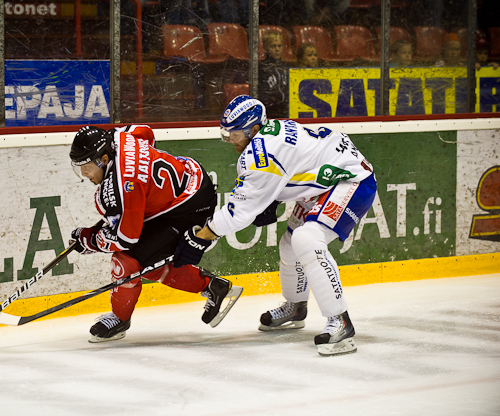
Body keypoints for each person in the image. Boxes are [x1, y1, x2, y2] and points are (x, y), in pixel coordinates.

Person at [173, 95, 377, 356]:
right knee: (290, 244)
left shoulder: (262, 155)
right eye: (226, 135)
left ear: (254, 129)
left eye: (234, 135)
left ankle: (341, 322)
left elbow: (239, 213)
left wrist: (202, 236)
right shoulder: (271, 131)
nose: (230, 141)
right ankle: (295, 307)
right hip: (326, 182)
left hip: (351, 181)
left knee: (306, 239)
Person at [69, 125, 243, 343]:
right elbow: (146, 131)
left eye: (86, 167)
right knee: (147, 261)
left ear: (103, 159)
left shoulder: (121, 187)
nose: (84, 174)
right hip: (191, 180)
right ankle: (213, 287)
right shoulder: (118, 135)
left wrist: (91, 240)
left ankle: (120, 320)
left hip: (188, 209)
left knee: (126, 262)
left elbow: (125, 239)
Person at [259, 31, 289, 118]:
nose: (277, 49)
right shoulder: (261, 69)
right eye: (273, 46)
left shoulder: (285, 68)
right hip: (269, 114)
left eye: (279, 46)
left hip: (285, 113)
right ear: (265, 48)